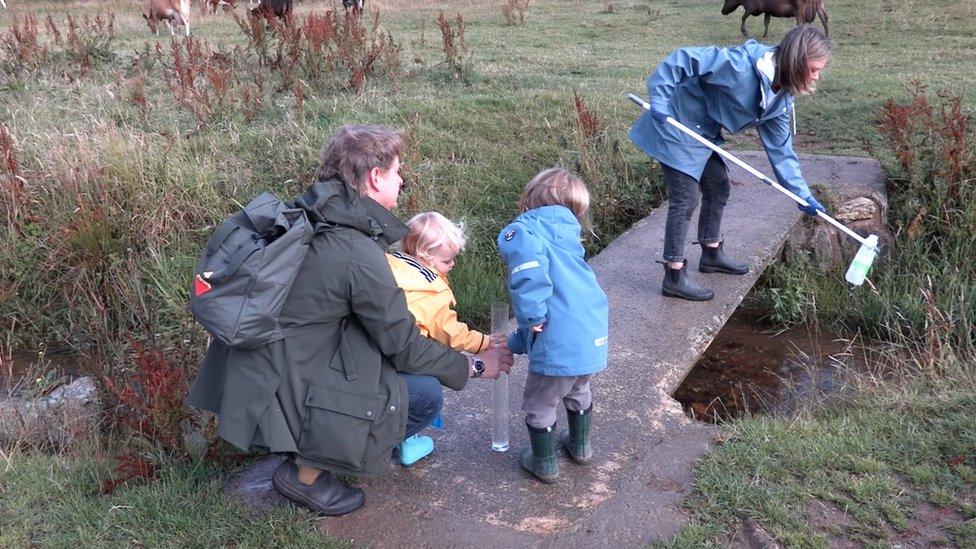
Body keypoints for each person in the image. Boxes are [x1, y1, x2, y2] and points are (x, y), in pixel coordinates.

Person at [188, 125, 513, 516]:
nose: (402, 180)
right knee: (423, 393)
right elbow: (405, 346)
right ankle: (307, 473)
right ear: (376, 178)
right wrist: (475, 365)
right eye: (397, 172)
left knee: (380, 358)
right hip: (287, 377)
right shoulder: (355, 248)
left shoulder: (313, 213)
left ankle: (327, 442)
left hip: (268, 368)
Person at [629, 24, 832, 301]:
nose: (817, 77)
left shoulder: (780, 99)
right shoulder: (737, 66)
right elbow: (682, 58)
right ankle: (674, 276)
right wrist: (661, 100)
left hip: (703, 131)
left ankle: (711, 254)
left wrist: (802, 194)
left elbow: (781, 152)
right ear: (796, 62)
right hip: (676, 122)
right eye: (814, 69)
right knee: (686, 198)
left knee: (718, 186)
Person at [497, 168, 609, 483]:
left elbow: (528, 271)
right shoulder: (568, 236)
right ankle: (580, 446)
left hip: (557, 340)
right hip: (591, 334)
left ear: (529, 201)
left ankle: (543, 462)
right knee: (579, 387)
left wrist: (531, 318)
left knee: (541, 402)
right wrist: (517, 341)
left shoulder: (527, 231)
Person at [385, 211, 501, 466]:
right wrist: (483, 343)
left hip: (383, 352)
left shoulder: (390, 265)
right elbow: (450, 332)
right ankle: (404, 440)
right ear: (426, 256)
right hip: (406, 358)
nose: (452, 266)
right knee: (428, 394)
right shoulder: (429, 292)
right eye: (448, 261)